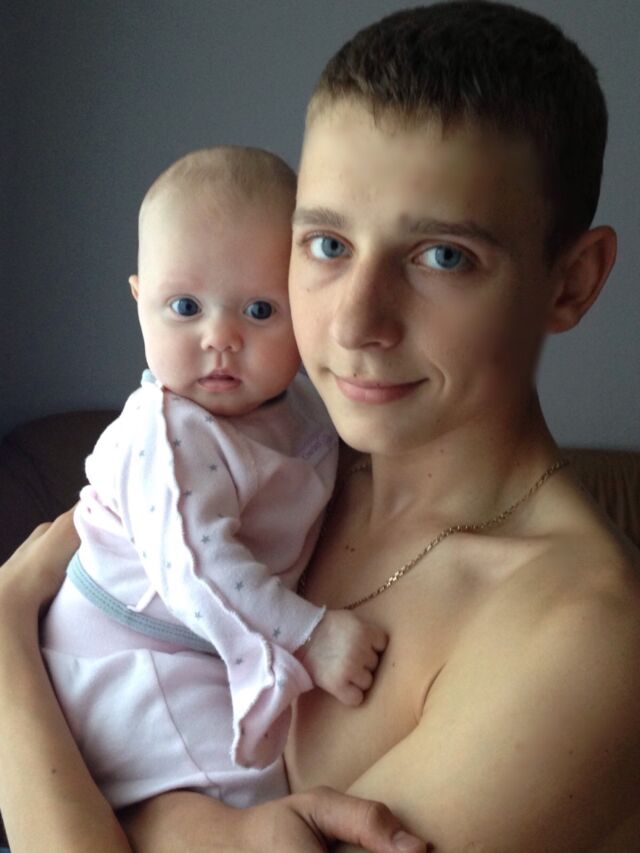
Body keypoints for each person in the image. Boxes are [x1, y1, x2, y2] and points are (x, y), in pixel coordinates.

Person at [0, 1, 639, 851]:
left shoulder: (580, 639)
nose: (355, 322)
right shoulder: (282, 460)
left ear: (572, 281)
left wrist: (5, 640)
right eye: (329, 244)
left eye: (444, 256)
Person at [38, 145, 388, 812]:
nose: (220, 337)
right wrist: (311, 635)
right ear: (139, 301)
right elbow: (200, 567)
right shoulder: (168, 436)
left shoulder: (297, 407)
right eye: (185, 306)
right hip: (130, 657)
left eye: (260, 311)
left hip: (195, 645)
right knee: (247, 792)